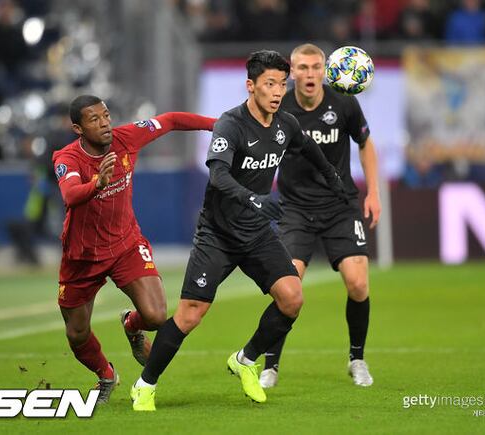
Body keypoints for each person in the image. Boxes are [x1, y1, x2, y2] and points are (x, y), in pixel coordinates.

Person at [130, 50, 349, 412]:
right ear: (251, 86)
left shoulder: (285, 124)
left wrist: (332, 177)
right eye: (269, 84)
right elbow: (218, 175)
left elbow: (308, 148)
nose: (277, 92)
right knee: (190, 314)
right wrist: (253, 199)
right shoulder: (231, 124)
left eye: (282, 84)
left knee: (292, 298)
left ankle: (245, 360)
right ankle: (145, 385)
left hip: (257, 233)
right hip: (218, 234)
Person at [52, 95, 215, 404]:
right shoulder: (67, 158)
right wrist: (97, 184)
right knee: (76, 333)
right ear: (78, 128)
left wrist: (217, 125)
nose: (105, 123)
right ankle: (106, 374)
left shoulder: (126, 137)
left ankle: (131, 325)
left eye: (106, 115)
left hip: (125, 245)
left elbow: (170, 120)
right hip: (82, 255)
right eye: (94, 119)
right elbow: (70, 195)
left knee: (156, 315)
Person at [259, 43, 381, 389]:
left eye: (316, 67)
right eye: (303, 68)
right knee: (288, 287)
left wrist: (373, 192)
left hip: (340, 205)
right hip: (296, 209)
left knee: (358, 283)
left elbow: (365, 143)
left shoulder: (344, 102)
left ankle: (357, 359)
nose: (310, 74)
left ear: (325, 71)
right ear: (292, 72)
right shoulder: (279, 107)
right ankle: (270, 365)